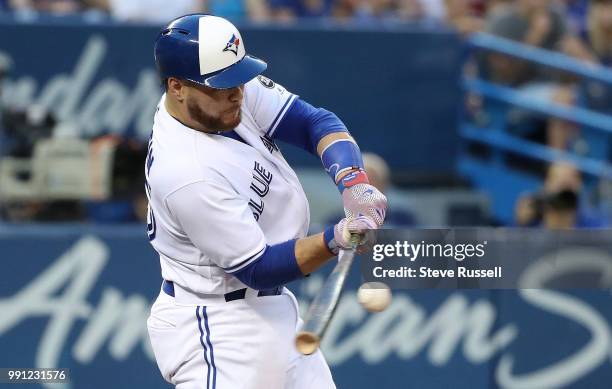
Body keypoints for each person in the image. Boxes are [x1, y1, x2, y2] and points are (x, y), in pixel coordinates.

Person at [145, 14, 387, 389]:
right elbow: (257, 267)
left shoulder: (224, 87)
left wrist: (353, 183)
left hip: (272, 308)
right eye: (222, 90)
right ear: (177, 87)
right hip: (219, 326)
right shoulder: (184, 171)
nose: (236, 96)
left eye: (237, 83)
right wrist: (334, 239)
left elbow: (313, 123)